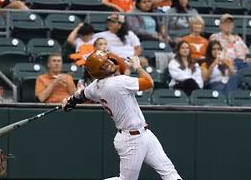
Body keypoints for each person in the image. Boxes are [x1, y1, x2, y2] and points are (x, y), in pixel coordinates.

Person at [62, 51, 183, 180]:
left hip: (145, 134)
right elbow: (148, 83)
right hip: (131, 139)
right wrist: (137, 66)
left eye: (108, 60)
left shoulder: (95, 86)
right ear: (99, 71)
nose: (109, 63)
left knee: (169, 171)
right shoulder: (118, 82)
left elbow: (82, 94)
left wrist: (70, 101)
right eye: (104, 64)